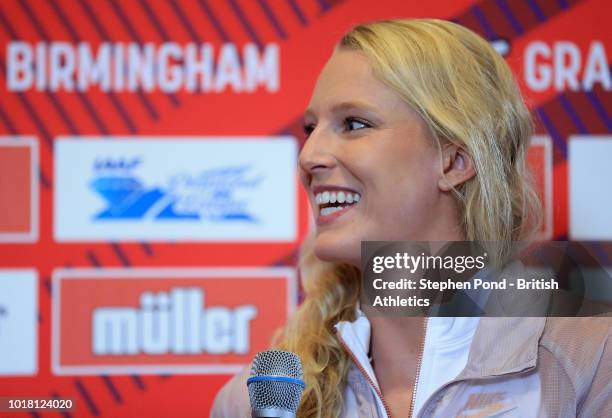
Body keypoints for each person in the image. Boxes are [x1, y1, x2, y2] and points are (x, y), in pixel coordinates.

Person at [211, 19, 611, 418]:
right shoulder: (260, 401)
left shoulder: (592, 363)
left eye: (354, 124)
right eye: (311, 128)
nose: (309, 156)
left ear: (454, 161)